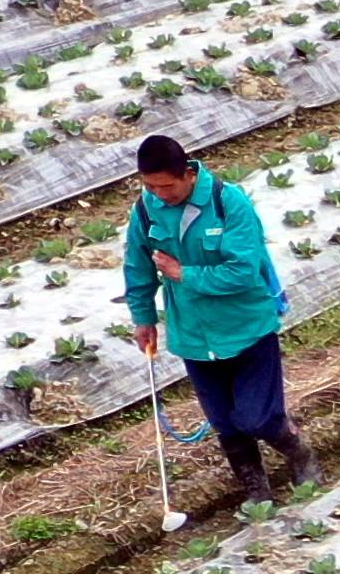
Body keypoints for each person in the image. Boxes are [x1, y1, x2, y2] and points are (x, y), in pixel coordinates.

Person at [122, 134, 310, 508]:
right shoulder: (145, 211)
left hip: (246, 329)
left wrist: (184, 274)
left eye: (166, 186)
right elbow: (138, 266)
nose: (159, 194)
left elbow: (244, 271)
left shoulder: (228, 203)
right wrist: (143, 317)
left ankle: (299, 452)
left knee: (256, 418)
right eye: (150, 186)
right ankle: (257, 490)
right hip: (193, 335)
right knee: (226, 423)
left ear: (187, 174)